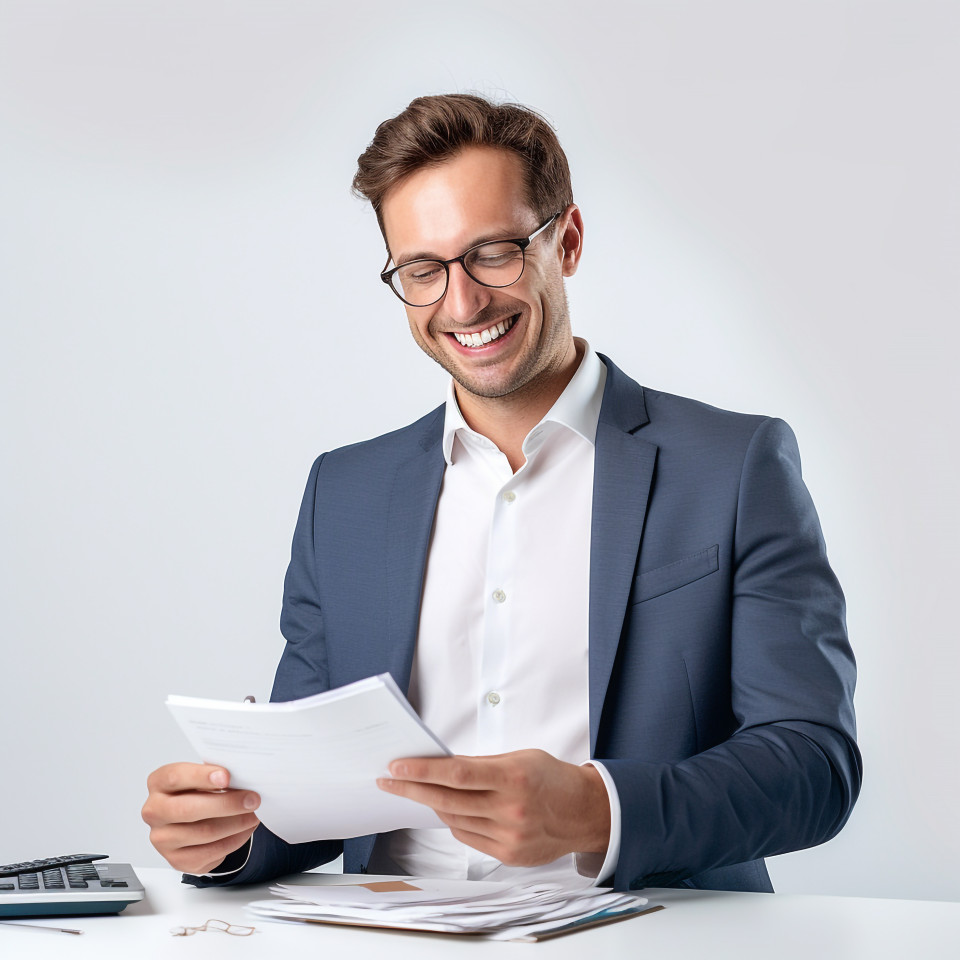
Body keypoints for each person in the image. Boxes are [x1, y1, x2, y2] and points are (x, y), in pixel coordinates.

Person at [141, 94, 861, 893]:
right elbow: (310, 801)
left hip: (644, 933)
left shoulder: (732, 466)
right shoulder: (342, 494)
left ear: (568, 241)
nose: (462, 303)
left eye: (493, 253)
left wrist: (598, 810)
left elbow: (815, 763)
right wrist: (227, 832)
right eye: (423, 270)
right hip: (391, 938)